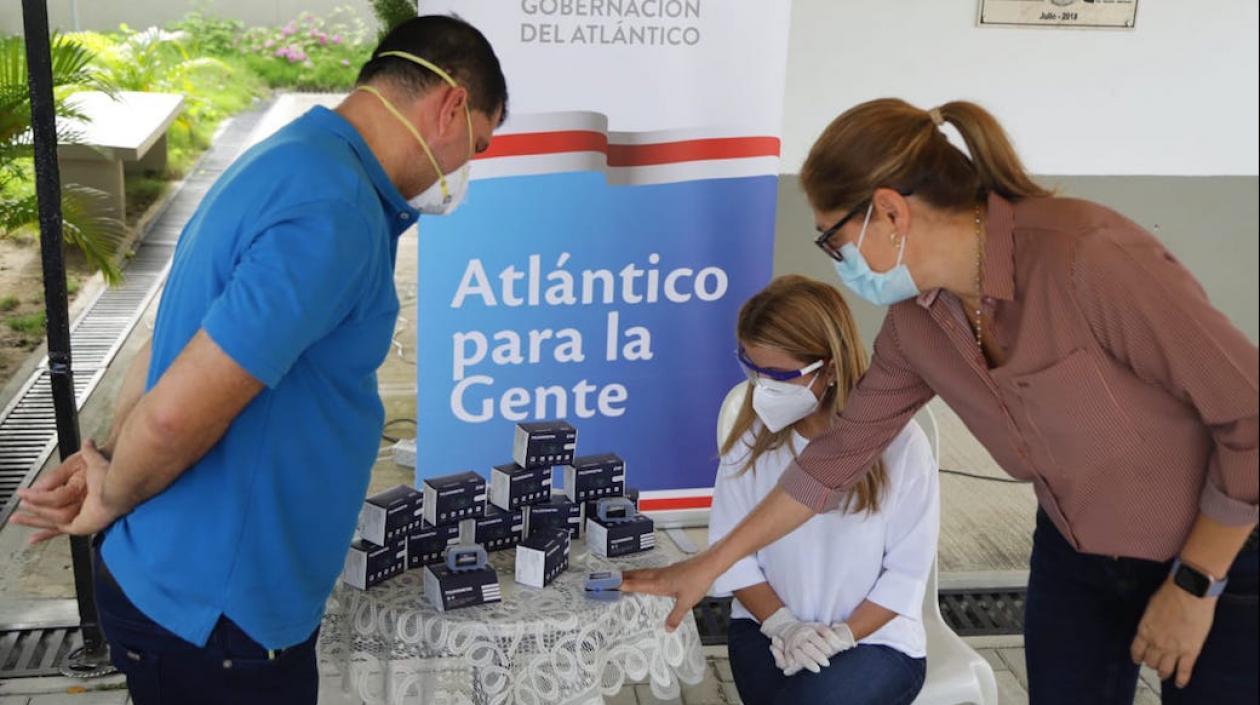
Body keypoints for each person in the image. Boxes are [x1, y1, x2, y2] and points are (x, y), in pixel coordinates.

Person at [623, 99, 1258, 705]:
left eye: (831, 240)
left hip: (1217, 553)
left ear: (890, 212)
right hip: (1075, 551)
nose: (838, 262)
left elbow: (1249, 415)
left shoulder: (1087, 257)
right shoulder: (916, 325)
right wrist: (709, 564)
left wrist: (1196, 583)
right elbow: (833, 459)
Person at [11, 15, 507, 705]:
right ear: (451, 105)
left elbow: (170, 341)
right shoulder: (335, 212)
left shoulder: (291, 154)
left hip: (188, 593)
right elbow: (173, 418)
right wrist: (111, 492)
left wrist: (104, 454)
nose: (463, 171)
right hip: (221, 619)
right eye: (477, 144)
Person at [714, 275, 938, 705]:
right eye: (752, 369)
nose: (762, 388)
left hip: (876, 640)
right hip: (766, 628)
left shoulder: (902, 446)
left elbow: (907, 575)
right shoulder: (749, 440)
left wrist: (841, 637)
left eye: (779, 375)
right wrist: (784, 625)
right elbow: (731, 556)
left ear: (830, 368)